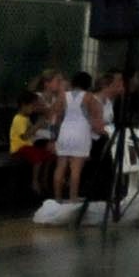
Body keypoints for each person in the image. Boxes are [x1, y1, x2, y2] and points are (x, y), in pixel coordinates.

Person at [53, 71, 103, 204]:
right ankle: (73, 198)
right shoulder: (89, 97)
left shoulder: (63, 96)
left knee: (61, 166)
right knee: (76, 168)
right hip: (81, 132)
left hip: (65, 131)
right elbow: (94, 117)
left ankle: (57, 198)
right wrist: (99, 130)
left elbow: (57, 116)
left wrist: (55, 135)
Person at [10, 88, 56, 197]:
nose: (34, 109)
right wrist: (37, 126)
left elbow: (31, 131)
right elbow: (25, 136)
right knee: (37, 156)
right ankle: (34, 181)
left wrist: (40, 127)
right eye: (32, 106)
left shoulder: (26, 118)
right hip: (19, 147)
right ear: (24, 105)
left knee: (48, 155)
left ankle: (44, 180)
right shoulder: (19, 119)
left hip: (28, 146)